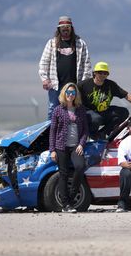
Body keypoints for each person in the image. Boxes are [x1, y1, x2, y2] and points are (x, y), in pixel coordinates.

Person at [78, 61, 131, 139]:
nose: (102, 75)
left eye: (105, 73)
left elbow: (127, 95)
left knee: (123, 112)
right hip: (89, 114)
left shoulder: (110, 85)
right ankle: (91, 136)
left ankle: (103, 133)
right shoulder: (83, 85)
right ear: (94, 73)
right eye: (100, 72)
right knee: (96, 118)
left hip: (104, 113)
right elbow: (71, 94)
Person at [39, 16, 92, 120]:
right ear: (59, 29)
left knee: (75, 110)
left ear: (71, 28)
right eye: (63, 27)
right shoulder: (52, 43)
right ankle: (50, 134)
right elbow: (44, 62)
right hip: (55, 84)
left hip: (75, 85)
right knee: (53, 109)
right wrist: (45, 79)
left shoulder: (80, 43)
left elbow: (87, 64)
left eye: (67, 27)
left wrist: (84, 82)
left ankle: (73, 134)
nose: (65, 29)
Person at [49, 82, 89, 213]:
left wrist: (81, 144)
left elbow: (85, 131)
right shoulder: (58, 110)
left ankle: (71, 198)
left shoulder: (81, 109)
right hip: (61, 147)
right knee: (63, 174)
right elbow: (53, 131)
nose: (70, 95)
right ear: (64, 94)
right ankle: (65, 204)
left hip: (75, 147)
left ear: (76, 95)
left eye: (73, 93)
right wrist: (52, 150)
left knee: (80, 166)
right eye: (68, 92)